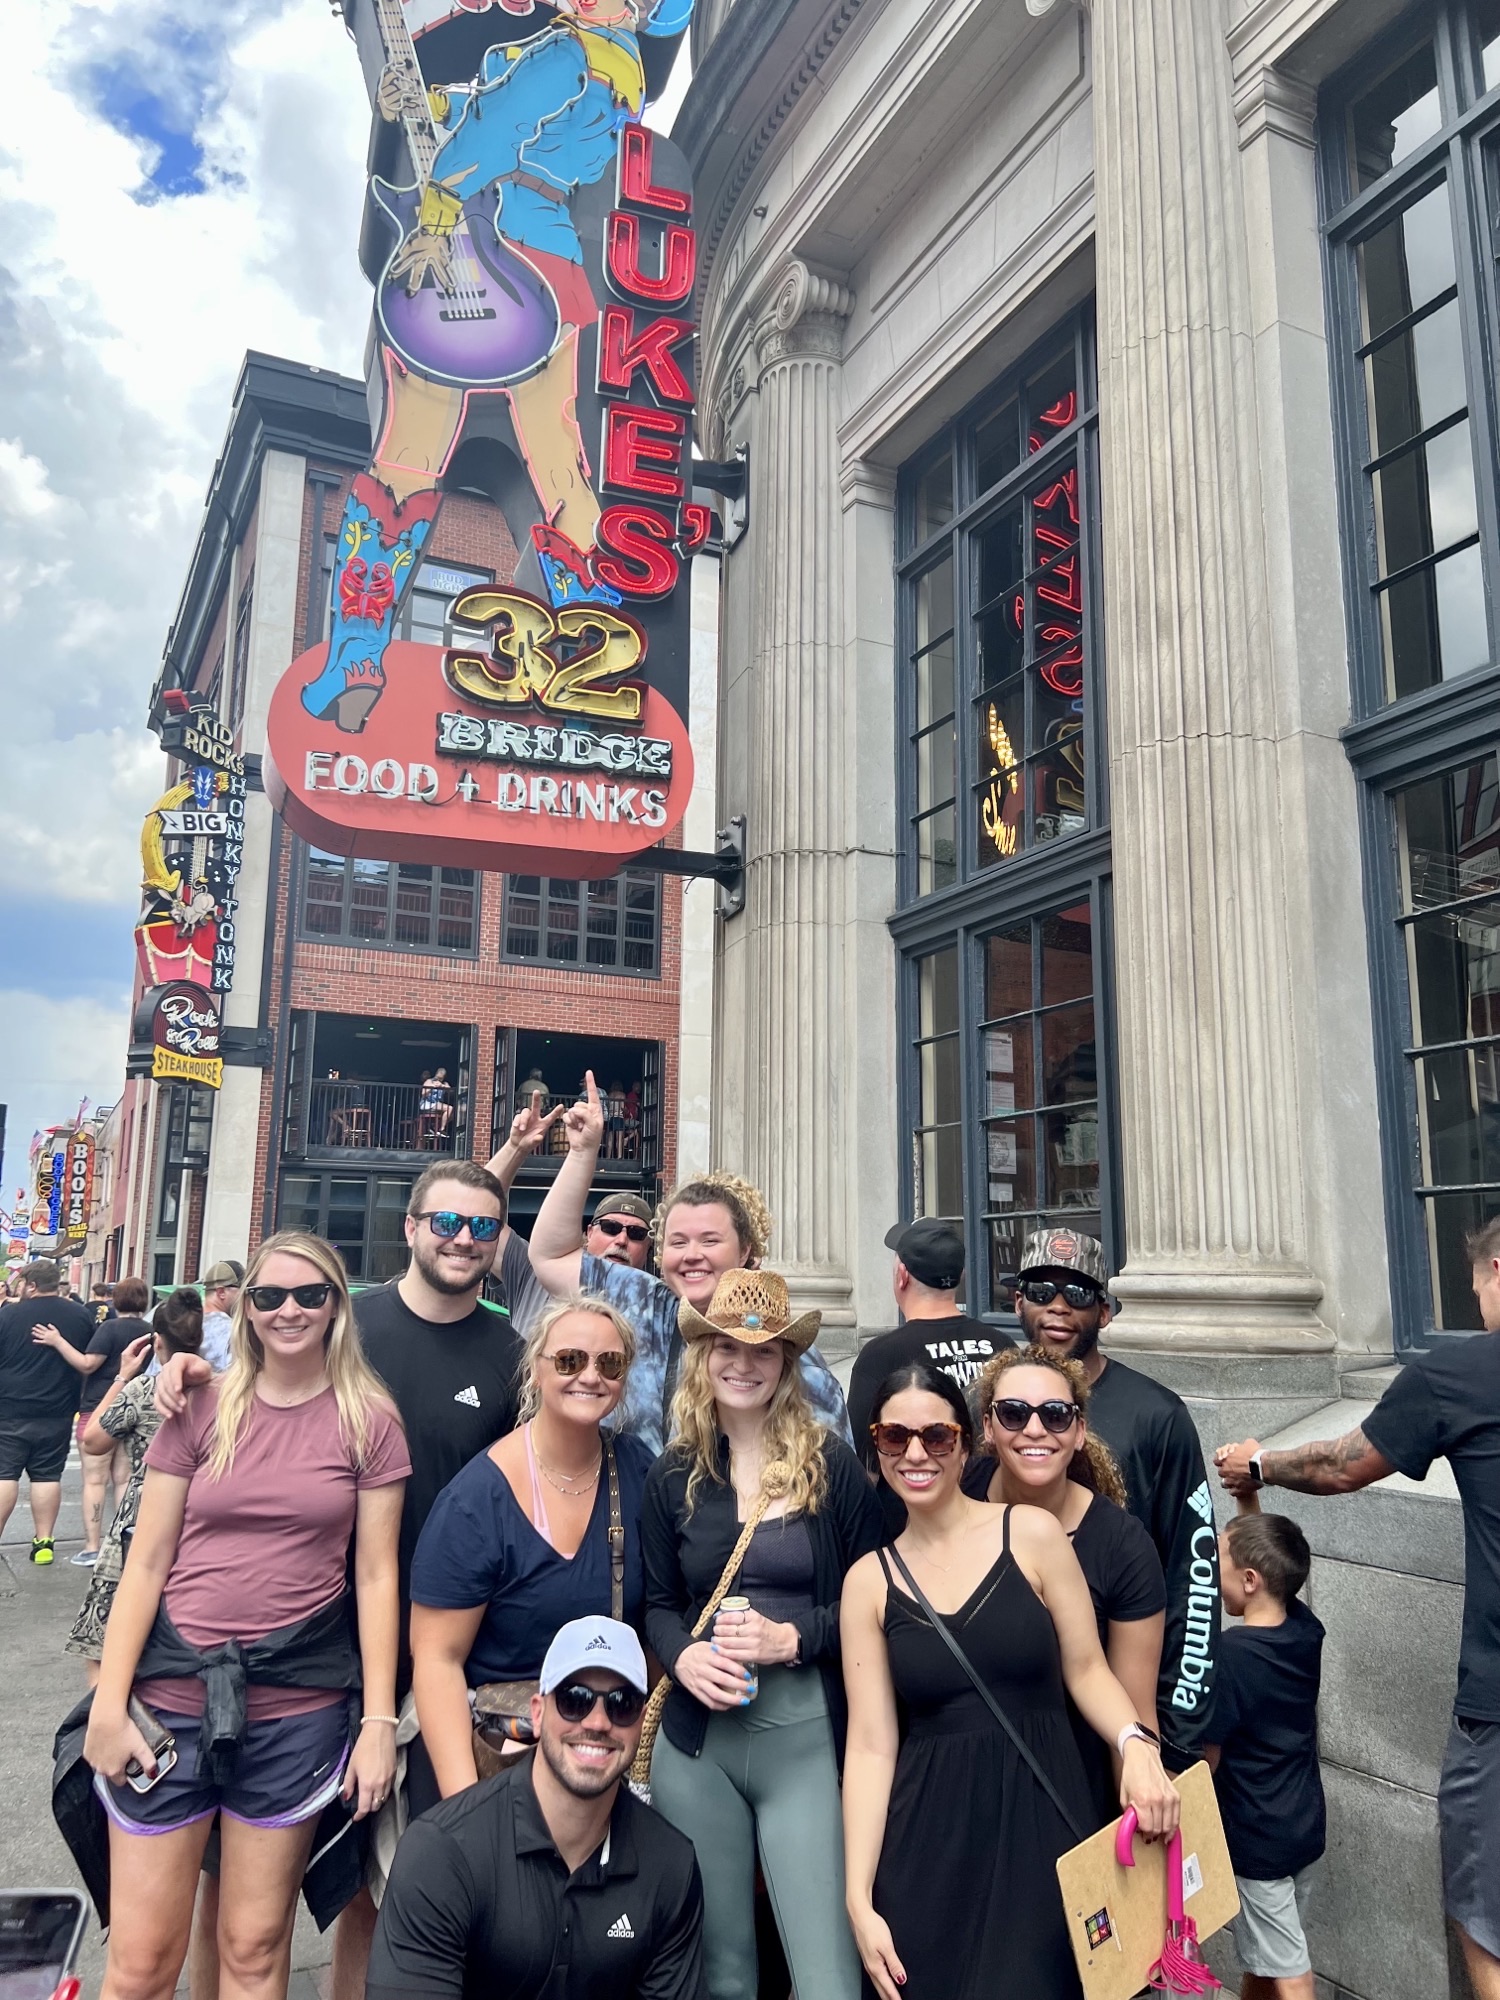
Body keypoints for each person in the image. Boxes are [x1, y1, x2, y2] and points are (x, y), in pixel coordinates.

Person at [154, 1164, 521, 2000]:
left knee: (381, 1879)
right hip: (297, 1646)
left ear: (499, 1242)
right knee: (239, 1883)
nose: (462, 1239)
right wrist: (183, 1371)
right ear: (412, 1227)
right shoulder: (341, 1322)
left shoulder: (511, 1353)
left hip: (427, 1643)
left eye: (482, 1227)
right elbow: (254, 1378)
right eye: (446, 1222)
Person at [84, 1231, 408, 2000]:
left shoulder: (370, 1420)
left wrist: (377, 1724)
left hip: (297, 1711)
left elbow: (375, 1575)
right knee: (138, 1964)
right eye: (270, 1296)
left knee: (256, 1949)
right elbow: (148, 1563)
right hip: (169, 1705)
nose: (289, 1310)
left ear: (338, 1306)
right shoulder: (198, 1406)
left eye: (311, 1295)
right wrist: (107, 1700)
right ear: (247, 1308)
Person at [1216, 1215, 1500, 2000]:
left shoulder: (1464, 1373)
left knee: (1483, 1908)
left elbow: (1344, 1466)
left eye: (1474, 1289)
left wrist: (1258, 1462)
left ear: (1498, 1270)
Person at [840, 1362, 1179, 2000]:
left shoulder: (1032, 1534)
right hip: (927, 1849)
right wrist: (858, 1896)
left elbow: (1088, 1670)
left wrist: (1137, 1745)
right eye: (894, 1437)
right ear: (875, 1446)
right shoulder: (867, 1582)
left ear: (967, 1442)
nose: (916, 1453)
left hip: (1045, 1830)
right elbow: (871, 1745)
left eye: (936, 1437)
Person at [642, 1270, 882, 2000]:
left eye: (765, 1351)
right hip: (698, 1746)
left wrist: (795, 1638)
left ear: (785, 1364)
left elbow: (874, 1600)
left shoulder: (831, 1465)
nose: (743, 1365)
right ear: (704, 1355)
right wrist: (682, 1656)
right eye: (726, 1348)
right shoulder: (674, 1472)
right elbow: (654, 1604)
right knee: (721, 1974)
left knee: (827, 1974)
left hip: (801, 1735)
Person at [367, 1617, 707, 2000]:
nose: (597, 1722)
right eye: (573, 1700)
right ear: (538, 1712)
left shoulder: (670, 1864)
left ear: (641, 1722)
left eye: (621, 1704)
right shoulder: (442, 1852)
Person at [529, 1071, 850, 1452]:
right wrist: (583, 1153)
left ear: (745, 1250)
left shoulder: (784, 1349)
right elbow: (549, 1255)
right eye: (678, 1241)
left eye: (710, 1241)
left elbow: (833, 1477)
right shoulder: (644, 1301)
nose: (692, 1255)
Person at [409, 1297, 652, 1797]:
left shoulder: (639, 1471)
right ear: (536, 1371)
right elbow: (436, 1660)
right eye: (568, 1360)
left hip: (602, 1751)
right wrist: (466, 1808)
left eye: (609, 1363)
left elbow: (664, 1610)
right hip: (497, 1755)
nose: (590, 1376)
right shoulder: (476, 1501)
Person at [1012, 1225, 1220, 1764]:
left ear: (1104, 1313)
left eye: (1077, 1294)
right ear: (1017, 1302)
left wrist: (1180, 1729)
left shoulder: (1158, 1417)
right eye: (1040, 1291)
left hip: (1127, 1704)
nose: (1057, 1307)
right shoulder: (988, 1408)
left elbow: (1193, 1570)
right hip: (1012, 1702)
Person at [962, 1344, 1165, 1826]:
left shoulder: (1121, 1546)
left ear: (1079, 1432)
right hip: (966, 1780)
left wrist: (1139, 1812)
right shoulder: (954, 1499)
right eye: (1013, 1413)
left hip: (1071, 1790)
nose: (1034, 1429)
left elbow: (1134, 1707)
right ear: (988, 1428)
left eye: (1055, 1415)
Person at [1205, 1499, 1324, 2000]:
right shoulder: (1304, 1630)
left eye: (1218, 1563)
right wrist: (1245, 1497)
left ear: (1250, 1580)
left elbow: (1209, 1756)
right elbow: (1274, 1561)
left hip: (1259, 1839)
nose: (1212, 1574)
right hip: (1303, 1826)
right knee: (1266, 1959)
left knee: (1291, 1973)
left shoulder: (1232, 1656)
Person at [66, 1290, 205, 1681]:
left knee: (105, 1641)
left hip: (141, 1514)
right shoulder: (222, 1391)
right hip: (201, 1516)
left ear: (155, 1341)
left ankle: (105, 1721)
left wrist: (124, 1374)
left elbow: (92, 1440)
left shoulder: (144, 1392)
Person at [847, 1218, 1015, 1533]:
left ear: (901, 1276)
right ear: (961, 1277)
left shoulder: (881, 1356)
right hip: (995, 1527)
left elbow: (866, 1468)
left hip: (910, 1534)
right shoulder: (1002, 1345)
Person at [0, 1259, 101, 1566]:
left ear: (31, 1285)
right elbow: (89, 1357)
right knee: (46, 1475)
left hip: (10, 1407)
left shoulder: (8, 1315)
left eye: (21, 1284)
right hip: (58, 1408)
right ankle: (43, 1542)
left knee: (4, 1474)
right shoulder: (80, 1315)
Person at [75, 1278, 161, 1572]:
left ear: (118, 1300)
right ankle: (122, 1540)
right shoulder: (151, 1332)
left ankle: (91, 1547)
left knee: (94, 1480)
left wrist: (59, 1343)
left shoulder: (108, 1328)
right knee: (124, 1480)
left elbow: (89, 1363)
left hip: (100, 1405)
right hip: (134, 1408)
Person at [199, 1262, 244, 1375]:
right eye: (242, 1289)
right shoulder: (233, 1330)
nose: (245, 1296)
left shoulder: (183, 1323)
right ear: (221, 1292)